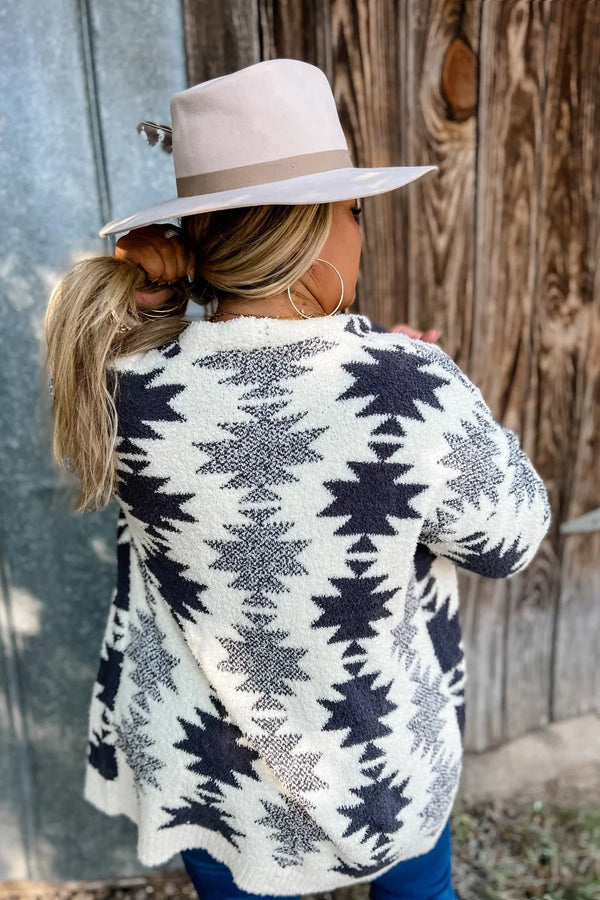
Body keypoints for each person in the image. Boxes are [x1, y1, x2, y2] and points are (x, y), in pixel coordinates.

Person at [44, 59, 551, 900]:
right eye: (355, 212)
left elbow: (171, 367)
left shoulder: (125, 385)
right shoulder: (406, 388)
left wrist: (158, 294)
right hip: (379, 760)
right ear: (315, 236)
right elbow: (509, 538)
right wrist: (435, 397)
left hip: (208, 767)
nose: (361, 231)